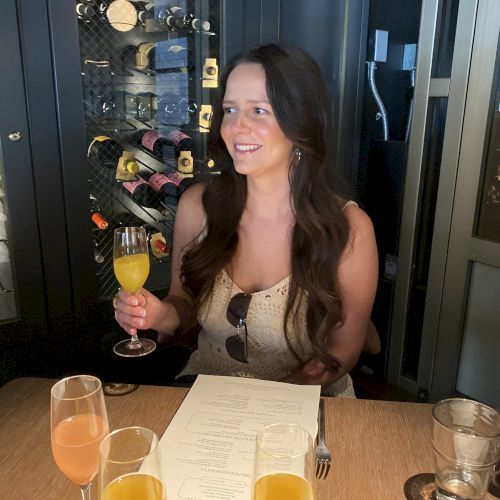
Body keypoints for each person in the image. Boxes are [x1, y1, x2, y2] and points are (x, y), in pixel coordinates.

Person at [113, 43, 378, 397]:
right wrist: (155, 313)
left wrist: (261, 408)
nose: (237, 127)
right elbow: (183, 304)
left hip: (302, 406)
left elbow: (340, 353)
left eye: (259, 111)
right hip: (207, 397)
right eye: (230, 109)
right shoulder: (198, 207)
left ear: (300, 121)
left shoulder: (349, 229)